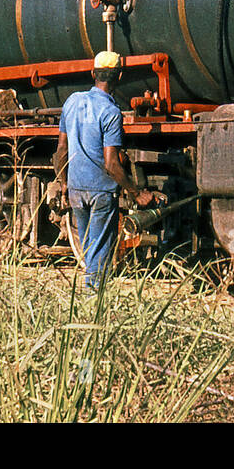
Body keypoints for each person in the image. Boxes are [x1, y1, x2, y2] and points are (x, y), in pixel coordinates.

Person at [53, 50, 146, 291]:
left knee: (88, 250)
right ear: (119, 77)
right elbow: (111, 163)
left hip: (75, 188)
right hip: (101, 192)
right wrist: (136, 193)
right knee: (99, 253)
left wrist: (64, 183)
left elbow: (61, 150)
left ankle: (88, 301)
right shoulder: (111, 113)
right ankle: (94, 303)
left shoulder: (72, 101)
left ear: (93, 73)